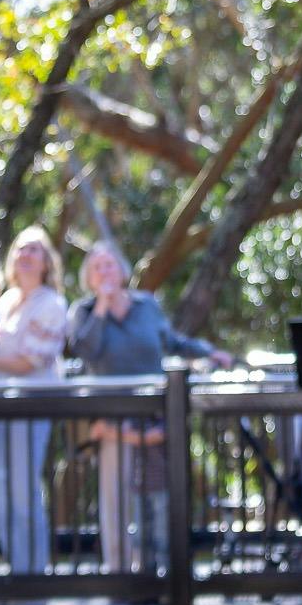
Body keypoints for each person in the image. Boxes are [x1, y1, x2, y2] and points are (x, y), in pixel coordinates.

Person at [68, 241, 231, 572]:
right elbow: (85, 350)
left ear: (123, 270)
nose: (104, 272)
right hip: (113, 419)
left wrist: (208, 352)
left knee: (155, 496)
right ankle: (119, 573)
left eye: (109, 265)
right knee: (116, 499)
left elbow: (172, 342)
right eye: (97, 267)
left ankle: (156, 571)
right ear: (89, 277)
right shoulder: (83, 312)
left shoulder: (146, 306)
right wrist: (102, 306)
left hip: (153, 414)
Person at [0, 227, 67, 577]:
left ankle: (33, 574)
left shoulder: (51, 303)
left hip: (29, 408)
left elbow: (29, 362)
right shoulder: (3, 302)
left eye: (34, 249)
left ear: (46, 261)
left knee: (23, 488)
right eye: (21, 248)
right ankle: (13, 568)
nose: (26, 254)